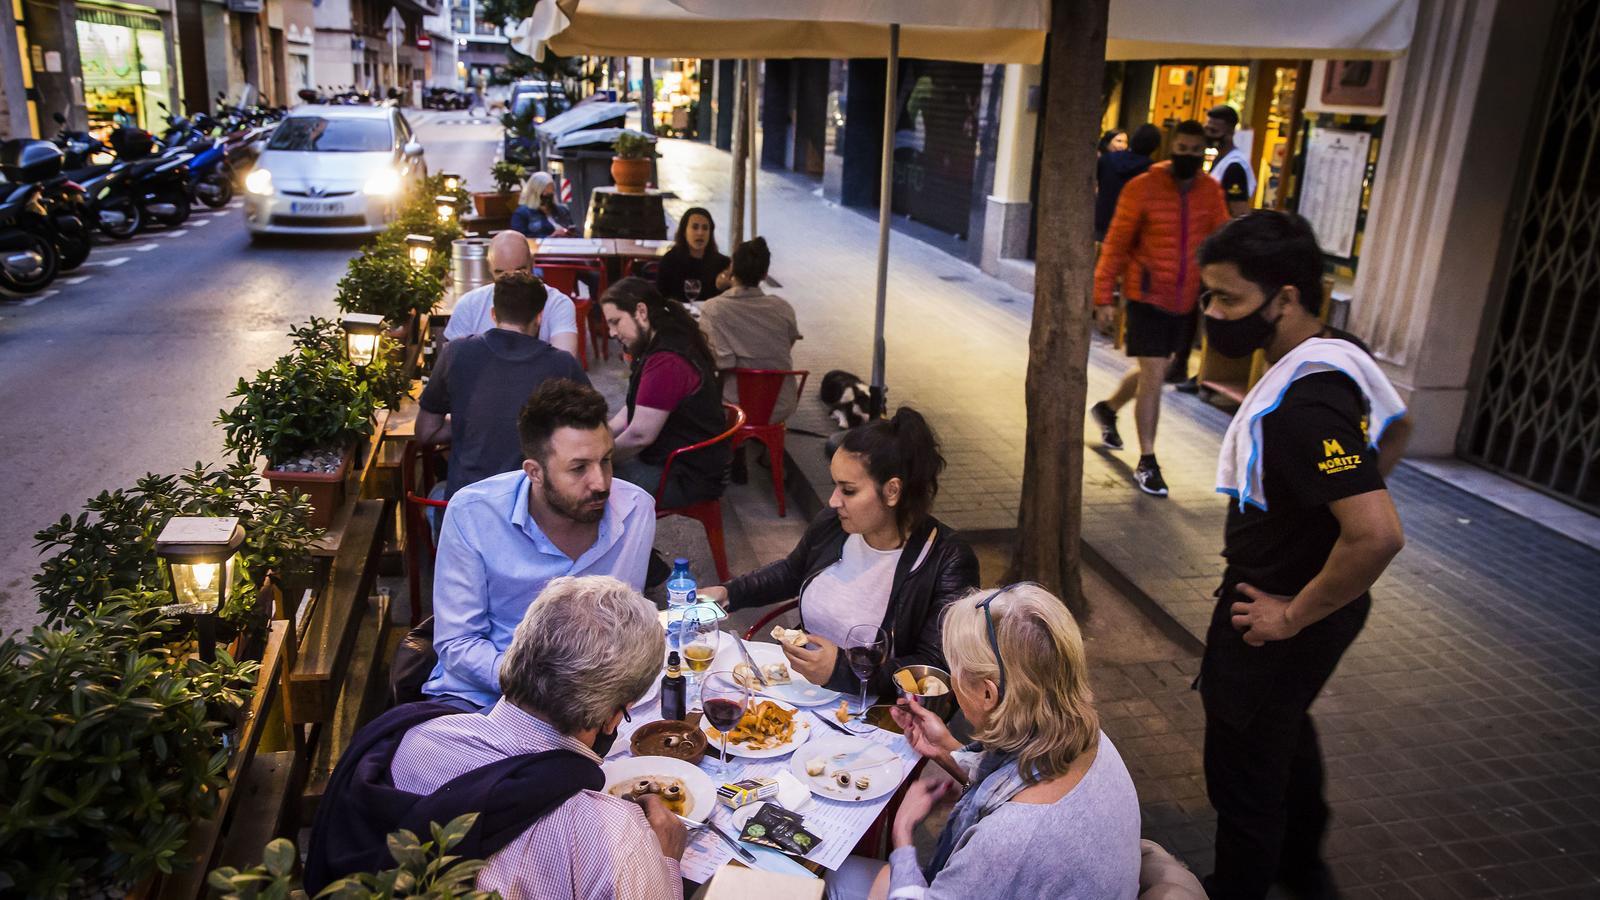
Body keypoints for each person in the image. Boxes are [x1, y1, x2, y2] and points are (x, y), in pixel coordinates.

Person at [1197, 212, 1410, 899]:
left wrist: (1290, 615)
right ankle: (1304, 868)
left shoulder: (1304, 406)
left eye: (1227, 298)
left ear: (1284, 298)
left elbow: (1377, 534)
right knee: (1281, 731)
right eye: (1208, 296)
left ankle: (1246, 885)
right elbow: (1399, 426)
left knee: (1244, 774)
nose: (1211, 313)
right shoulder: (1337, 352)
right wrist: (1326, 510)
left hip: (1277, 610)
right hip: (1311, 596)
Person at [305, 576, 686, 898]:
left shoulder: (406, 734)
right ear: (612, 716)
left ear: (518, 650)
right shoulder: (615, 837)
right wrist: (667, 859)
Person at [825, 583, 1142, 899]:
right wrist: (946, 750)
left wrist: (903, 834)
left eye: (956, 671)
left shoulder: (1010, 839)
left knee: (831, 881)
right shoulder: (1089, 738)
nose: (953, 682)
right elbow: (1019, 782)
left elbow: (1012, 846)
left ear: (988, 694)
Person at [699, 409, 979, 695]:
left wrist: (841, 670)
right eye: (835, 486)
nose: (834, 501)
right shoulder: (835, 525)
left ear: (892, 491)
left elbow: (934, 668)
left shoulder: (947, 559)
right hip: (803, 690)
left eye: (848, 490)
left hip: (877, 713)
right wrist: (729, 593)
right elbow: (793, 572)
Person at [423, 379, 657, 709]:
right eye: (578, 468)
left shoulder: (636, 510)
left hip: (594, 706)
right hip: (486, 698)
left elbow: (625, 626)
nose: (602, 483)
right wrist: (542, 691)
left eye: (605, 460)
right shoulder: (474, 513)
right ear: (534, 472)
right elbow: (458, 644)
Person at [1089, 120, 1230, 497]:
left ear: (1204, 152)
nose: (1187, 156)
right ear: (1172, 147)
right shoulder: (1143, 188)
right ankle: (1147, 461)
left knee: (1158, 369)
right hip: (1146, 294)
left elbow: (1221, 240)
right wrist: (1103, 297)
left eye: (1194, 151)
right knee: (1153, 374)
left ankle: (1108, 408)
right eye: (1181, 148)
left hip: (1184, 299)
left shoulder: (1210, 192)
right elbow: (1116, 244)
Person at [416, 273, 590, 500]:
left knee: (435, 498)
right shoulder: (562, 364)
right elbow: (590, 432)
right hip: (534, 507)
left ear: (493, 314)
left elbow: (425, 432)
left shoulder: (455, 353)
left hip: (467, 506)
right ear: (539, 317)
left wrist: (473, 422)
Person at [602, 277, 731, 508]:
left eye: (615, 322)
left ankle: (618, 543)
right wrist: (601, 436)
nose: (612, 332)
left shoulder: (667, 361)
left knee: (587, 489)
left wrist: (598, 460)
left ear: (641, 311)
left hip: (687, 477)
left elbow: (640, 436)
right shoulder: (665, 341)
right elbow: (632, 409)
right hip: (681, 465)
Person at [698, 236, 803, 424]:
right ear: (765, 274)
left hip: (734, 406)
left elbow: (721, 361)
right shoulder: (783, 308)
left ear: (732, 269)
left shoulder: (714, 309)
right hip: (780, 403)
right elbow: (787, 345)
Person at [443, 229, 581, 359]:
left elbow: (563, 365)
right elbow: (453, 365)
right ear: (490, 268)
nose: (511, 281)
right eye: (501, 273)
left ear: (532, 263)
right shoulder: (469, 305)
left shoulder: (558, 304)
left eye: (519, 271)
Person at [1095, 123, 1161, 242]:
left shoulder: (1106, 160)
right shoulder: (1152, 171)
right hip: (1130, 231)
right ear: (1155, 147)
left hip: (1101, 224)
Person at [656, 207, 730, 303]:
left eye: (705, 228)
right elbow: (660, 298)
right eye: (695, 227)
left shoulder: (722, 264)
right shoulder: (669, 261)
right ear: (684, 232)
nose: (700, 233)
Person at [1205, 105, 1256, 219]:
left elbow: (1239, 212)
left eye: (1214, 131)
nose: (1208, 135)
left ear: (1230, 133)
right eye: (1207, 129)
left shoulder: (1234, 166)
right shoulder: (1221, 158)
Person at [510, 171, 575, 239]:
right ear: (534, 193)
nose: (547, 198)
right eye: (544, 193)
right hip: (541, 248)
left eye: (551, 193)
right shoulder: (521, 214)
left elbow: (576, 233)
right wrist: (550, 237)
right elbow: (521, 240)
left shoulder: (562, 210)